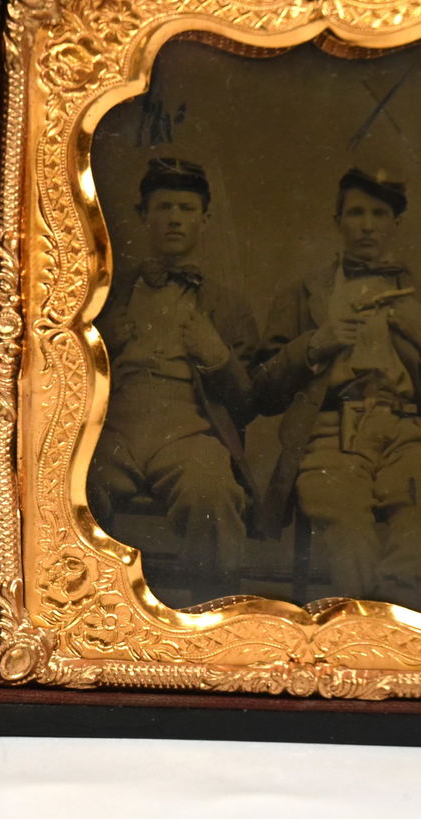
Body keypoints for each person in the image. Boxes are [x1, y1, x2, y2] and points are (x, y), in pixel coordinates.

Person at [251, 166, 421, 613]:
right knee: (348, 541)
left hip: (410, 437)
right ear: (337, 221)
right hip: (330, 438)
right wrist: (316, 343)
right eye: (355, 213)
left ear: (396, 224)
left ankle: (398, 653)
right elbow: (262, 393)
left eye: (379, 213)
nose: (367, 225)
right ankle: (361, 644)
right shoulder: (304, 295)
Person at [87, 157, 258, 600]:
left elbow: (247, 403)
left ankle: (212, 614)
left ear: (204, 219)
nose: (175, 219)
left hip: (187, 435)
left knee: (213, 491)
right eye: (163, 208)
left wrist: (216, 353)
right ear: (143, 215)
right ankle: (92, 618)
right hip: (112, 432)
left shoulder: (227, 304)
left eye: (185, 209)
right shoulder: (106, 294)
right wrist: (111, 340)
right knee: (74, 488)